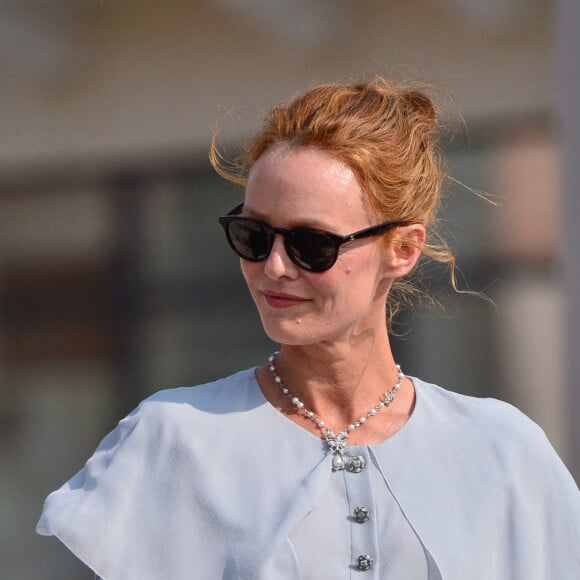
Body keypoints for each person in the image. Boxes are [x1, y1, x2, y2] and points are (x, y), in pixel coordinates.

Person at [37, 75, 580, 580]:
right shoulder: (172, 442)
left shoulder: (502, 453)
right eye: (253, 236)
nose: (273, 267)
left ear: (404, 250)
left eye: (311, 244)